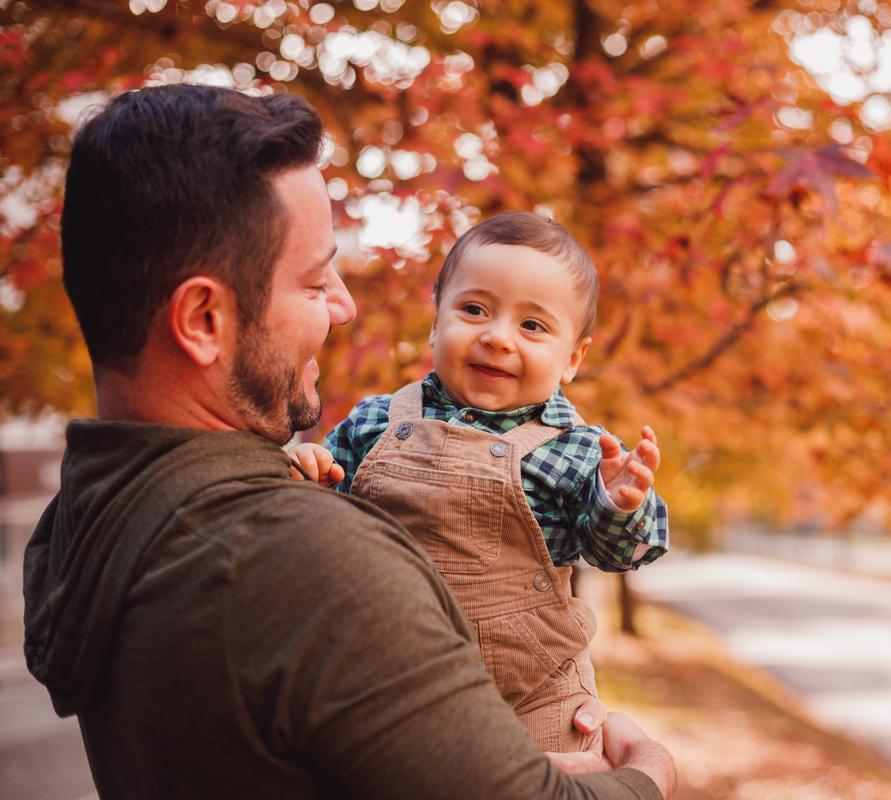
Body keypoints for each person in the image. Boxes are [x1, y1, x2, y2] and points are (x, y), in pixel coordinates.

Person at [22, 84, 674, 800]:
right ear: (203, 318)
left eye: (532, 326)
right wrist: (647, 773)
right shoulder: (309, 562)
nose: (346, 303)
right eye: (314, 279)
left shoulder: (89, 513)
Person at [288, 212, 669, 754]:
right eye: (473, 309)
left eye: (532, 326)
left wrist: (619, 503)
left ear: (573, 358)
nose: (497, 337)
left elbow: (621, 554)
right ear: (435, 322)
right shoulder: (377, 420)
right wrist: (311, 474)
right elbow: (322, 524)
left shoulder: (575, 449)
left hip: (535, 697)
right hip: (389, 684)